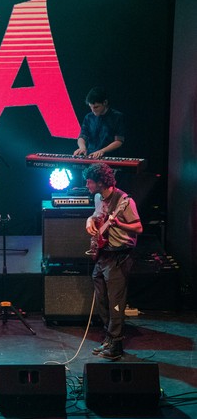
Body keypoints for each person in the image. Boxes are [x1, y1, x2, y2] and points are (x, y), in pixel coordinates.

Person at [83, 163, 142, 360]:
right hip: (103, 254)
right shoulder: (98, 197)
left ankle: (116, 344)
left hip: (119, 255)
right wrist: (90, 221)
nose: (87, 185)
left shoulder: (124, 201)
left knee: (116, 302)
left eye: (89, 182)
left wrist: (119, 223)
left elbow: (139, 228)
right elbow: (96, 214)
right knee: (101, 299)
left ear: (100, 182)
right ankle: (108, 338)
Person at [74, 87, 125, 159]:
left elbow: (119, 141)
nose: (93, 110)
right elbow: (82, 136)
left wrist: (102, 151)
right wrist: (82, 147)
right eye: (90, 107)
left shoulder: (117, 117)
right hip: (90, 156)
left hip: (109, 158)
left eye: (96, 107)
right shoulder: (89, 117)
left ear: (105, 103)